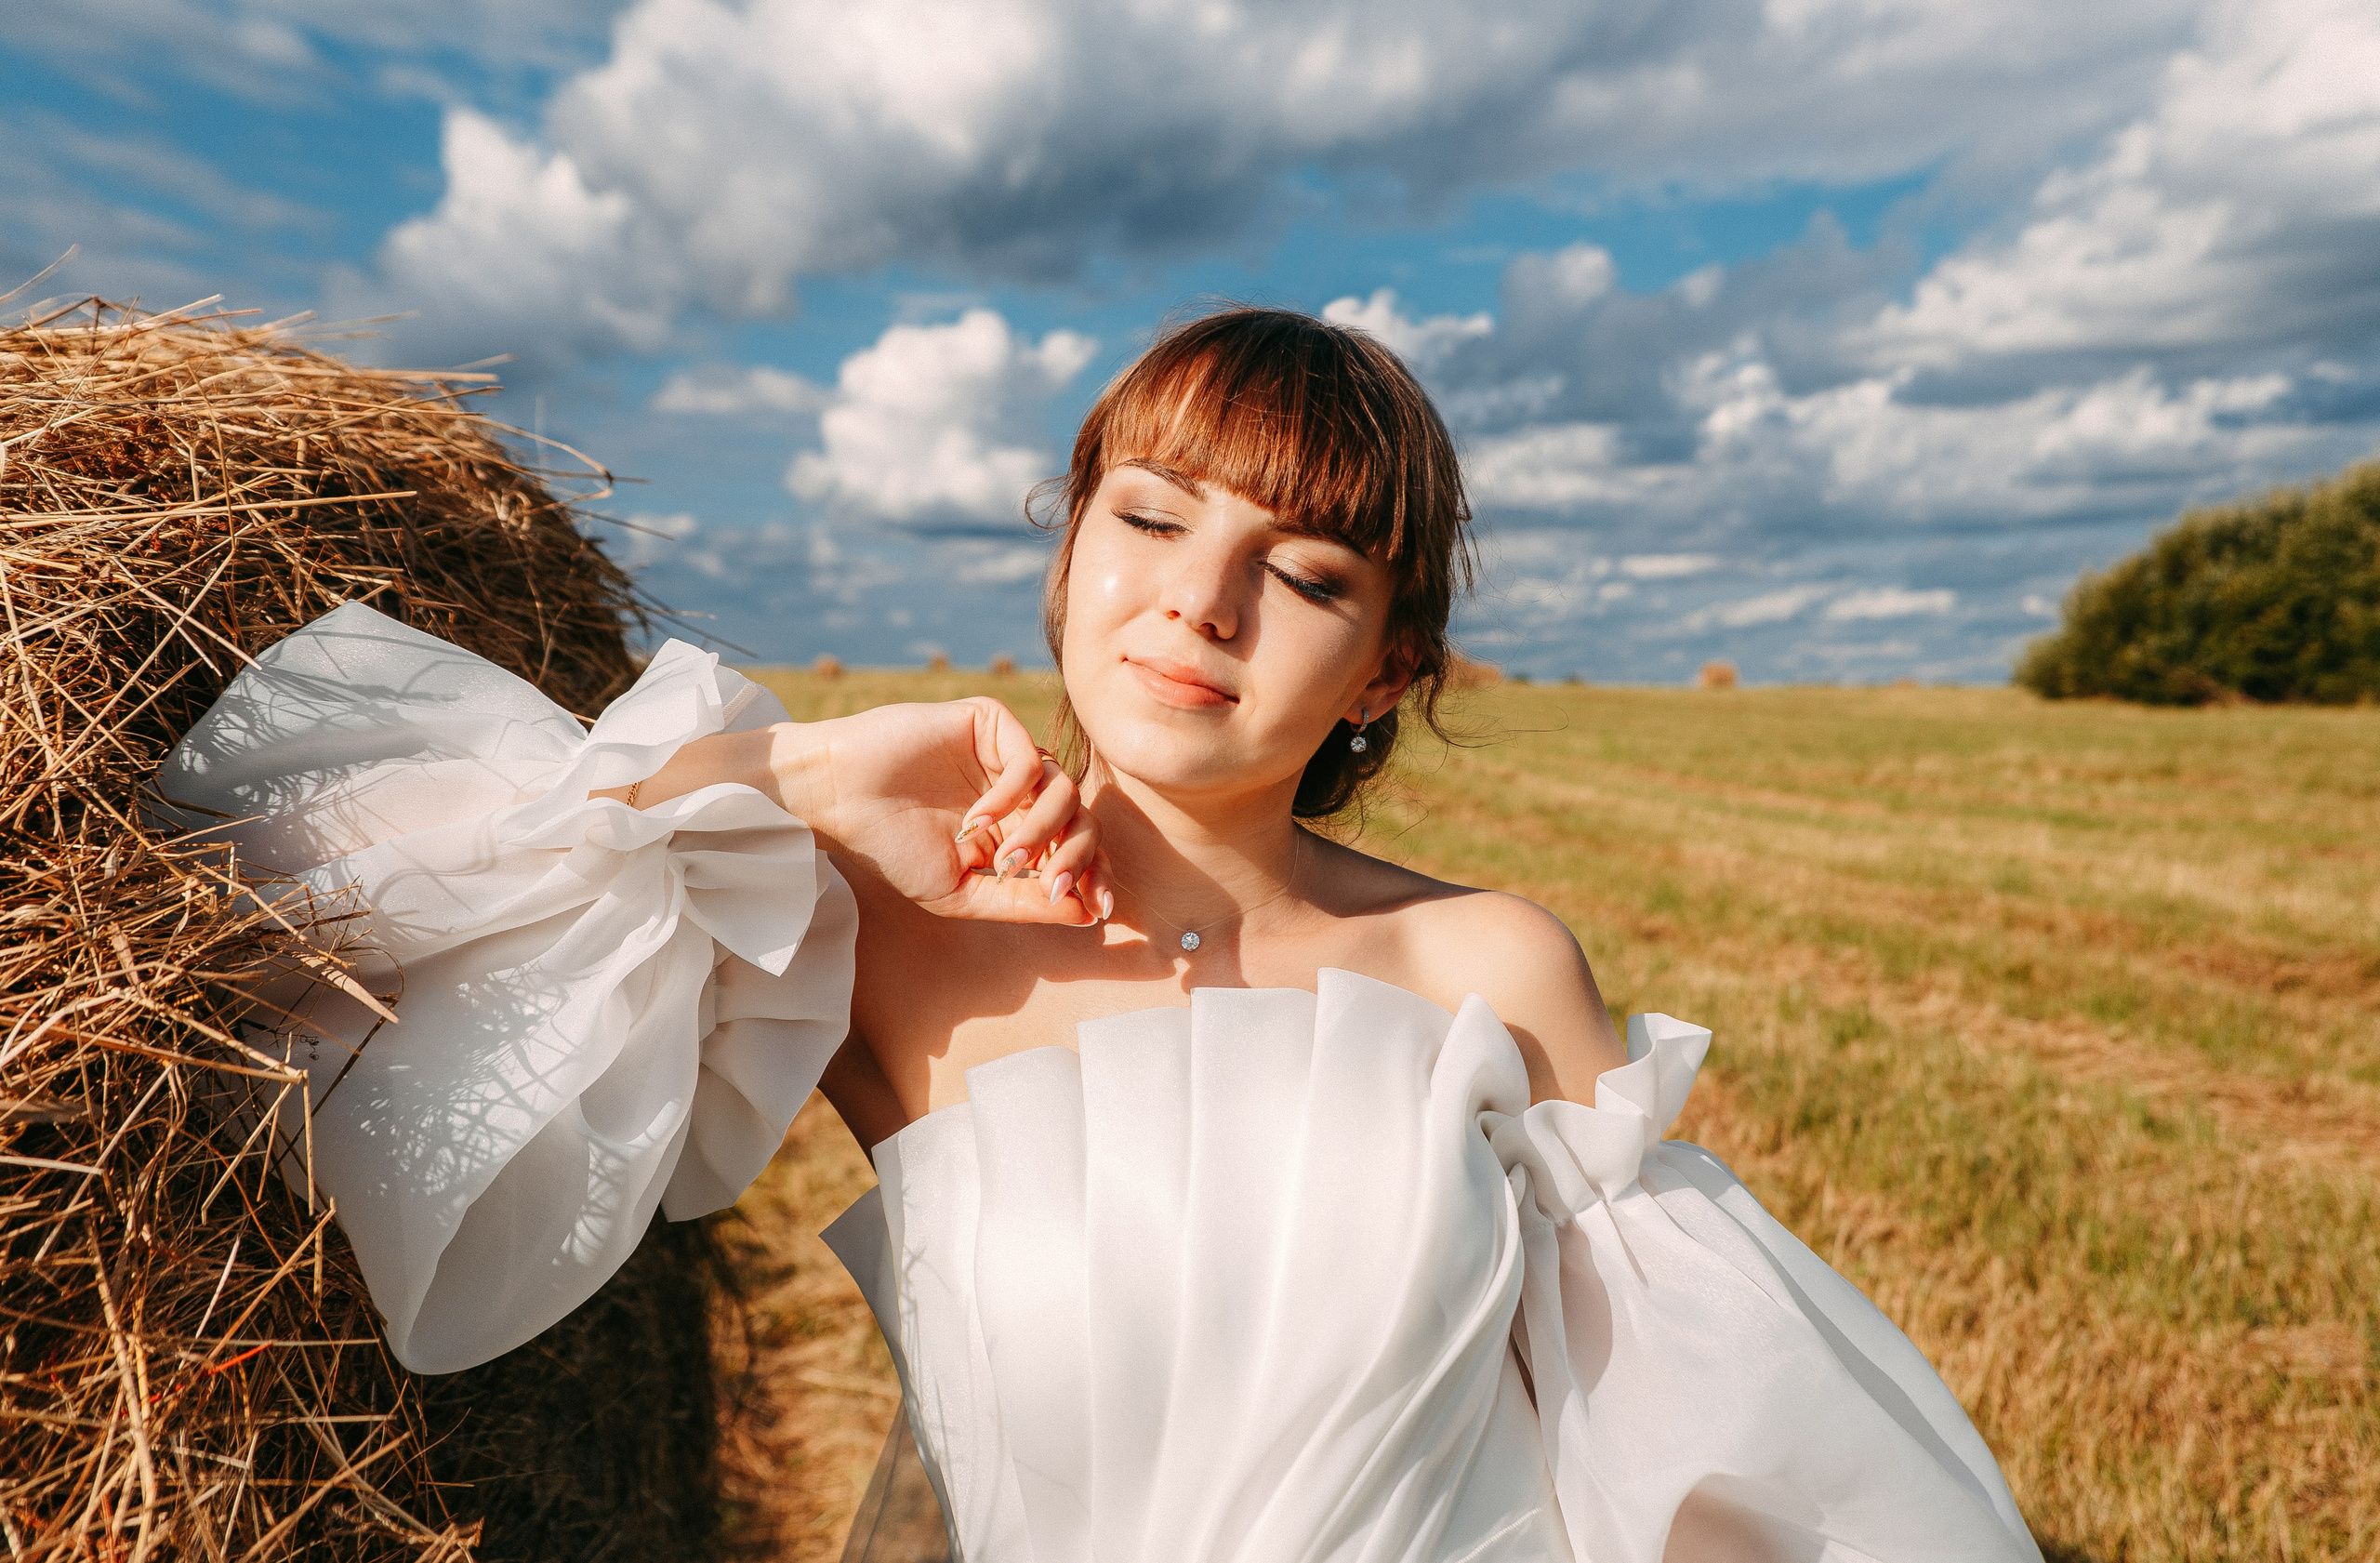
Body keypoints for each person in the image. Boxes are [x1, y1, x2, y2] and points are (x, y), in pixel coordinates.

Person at [162, 308, 2043, 1562]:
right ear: (1066, 560)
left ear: (1389, 663)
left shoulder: (1491, 968)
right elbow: (286, 904)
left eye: (1305, 572)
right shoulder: (876, 939)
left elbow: (1703, 1444)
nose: (1200, 600)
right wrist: (809, 770)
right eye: (1147, 518)